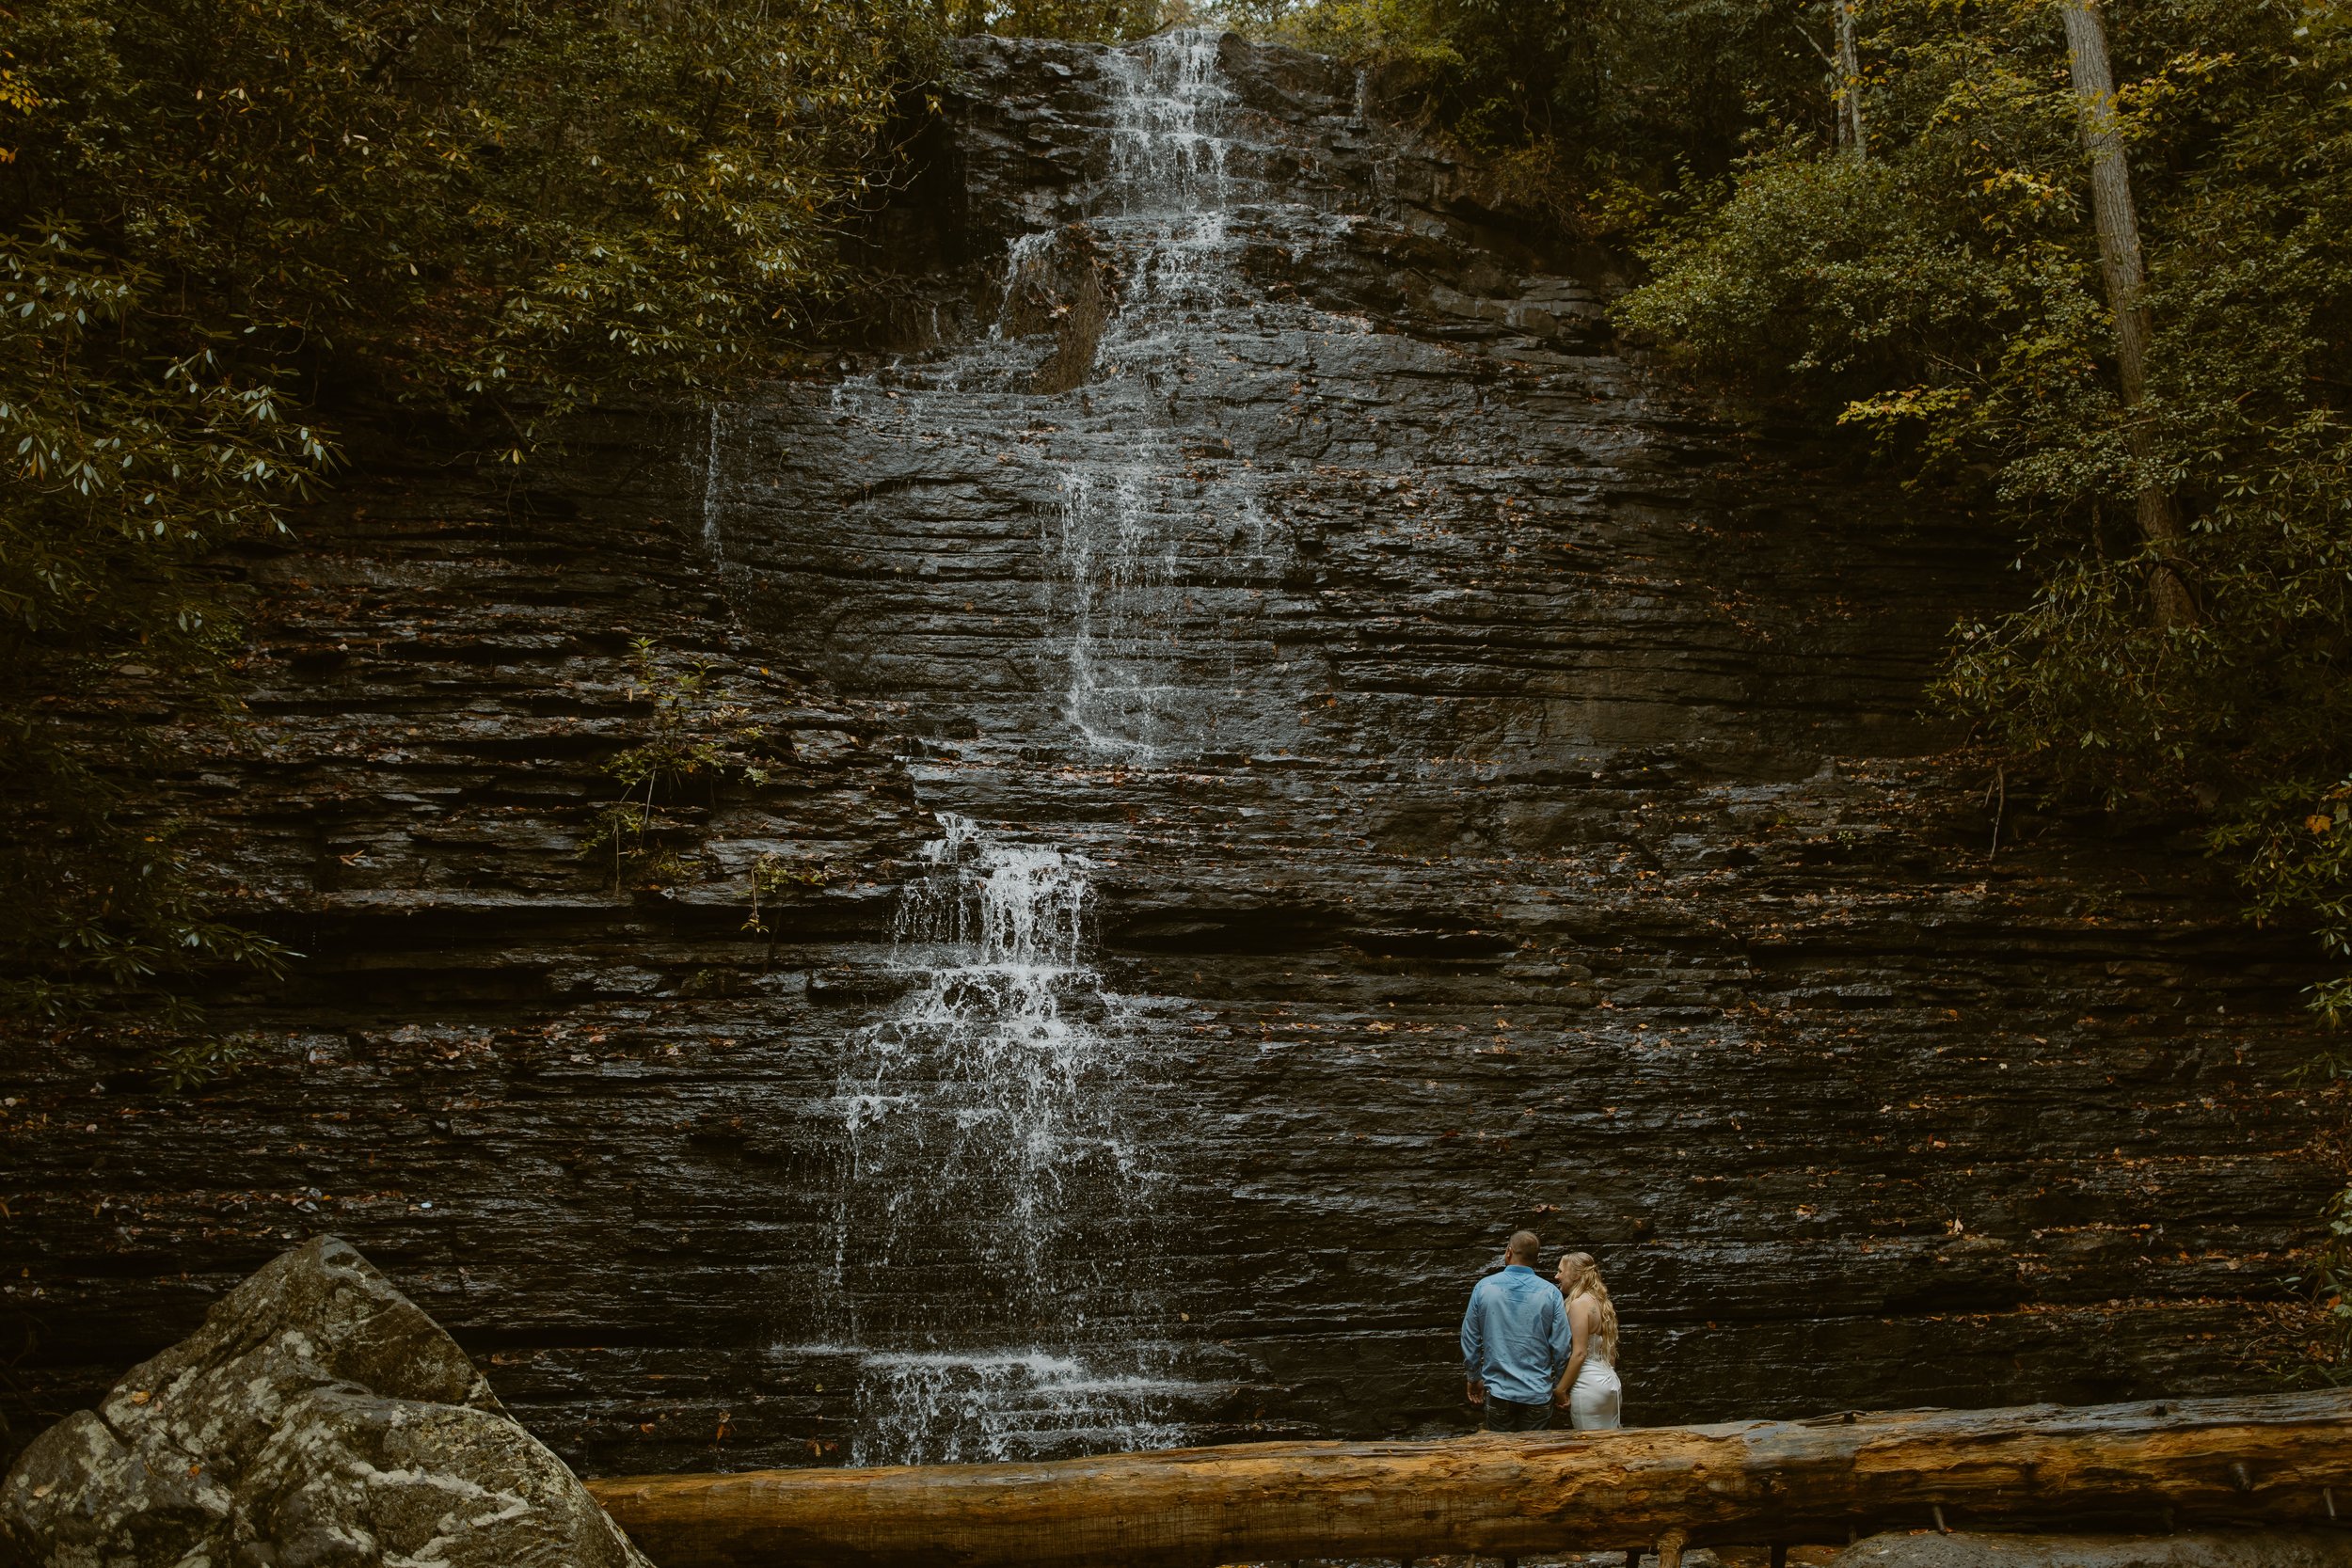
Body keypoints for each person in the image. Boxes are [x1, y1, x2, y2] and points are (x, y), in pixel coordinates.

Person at [1460, 1229, 1570, 1433]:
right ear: (1536, 1258)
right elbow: (1562, 1346)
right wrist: (1559, 1386)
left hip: (1499, 1392)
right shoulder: (1551, 1293)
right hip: (1538, 1392)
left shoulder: (1484, 1287)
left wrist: (1474, 1377)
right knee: (1536, 1451)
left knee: (1500, 1451)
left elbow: (1470, 1337)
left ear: (1509, 1252)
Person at [1551, 1249, 1623, 1430]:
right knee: (1611, 1441)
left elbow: (1580, 1353)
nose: (1556, 1276)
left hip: (1588, 1384)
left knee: (1588, 1443)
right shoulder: (1601, 1302)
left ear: (1576, 1275)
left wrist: (1560, 1389)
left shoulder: (1579, 1304)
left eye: (1560, 1271)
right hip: (1610, 1383)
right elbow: (1610, 1354)